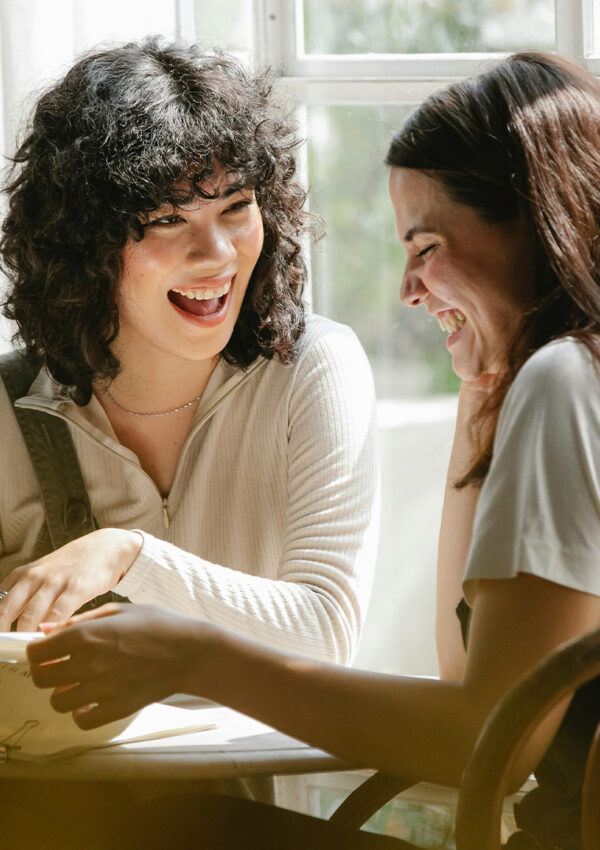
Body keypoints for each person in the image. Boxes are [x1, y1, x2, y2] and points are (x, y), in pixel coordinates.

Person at [29, 51, 600, 850]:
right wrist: (482, 387)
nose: (406, 289)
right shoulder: (556, 377)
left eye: (427, 244)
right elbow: (462, 673)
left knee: (178, 832)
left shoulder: (565, 383)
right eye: (167, 219)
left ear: (534, 225)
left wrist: (191, 654)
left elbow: (488, 744)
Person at [0, 38, 379, 665]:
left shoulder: (315, 367)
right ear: (82, 243)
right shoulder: (11, 408)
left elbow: (326, 634)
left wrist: (129, 557)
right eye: (167, 220)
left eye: (236, 207)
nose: (221, 254)